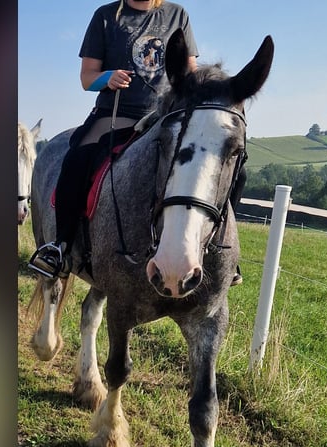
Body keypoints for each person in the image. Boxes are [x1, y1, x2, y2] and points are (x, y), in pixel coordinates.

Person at [29, 0, 203, 279]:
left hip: (165, 117)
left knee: (219, 161)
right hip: (116, 114)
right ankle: (60, 246)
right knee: (77, 157)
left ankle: (217, 253)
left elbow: (190, 74)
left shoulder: (177, 15)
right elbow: (87, 79)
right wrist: (107, 78)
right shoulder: (106, 17)